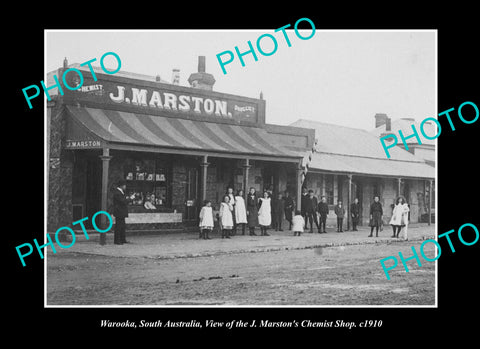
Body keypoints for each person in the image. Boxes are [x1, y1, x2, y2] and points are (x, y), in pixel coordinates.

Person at [113, 179, 134, 245]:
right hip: (119, 211)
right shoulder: (117, 193)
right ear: (122, 186)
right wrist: (130, 198)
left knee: (122, 226)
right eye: (124, 185)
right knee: (119, 226)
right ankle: (117, 240)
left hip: (121, 211)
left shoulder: (120, 192)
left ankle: (122, 239)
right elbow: (123, 201)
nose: (125, 187)